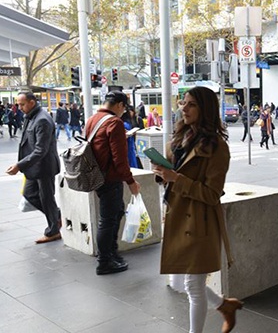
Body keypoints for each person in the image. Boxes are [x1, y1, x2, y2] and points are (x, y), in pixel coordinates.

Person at [152, 86, 243, 333]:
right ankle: (225, 306)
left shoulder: (217, 148)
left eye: (191, 104)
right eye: (183, 102)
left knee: (192, 285)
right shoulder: (178, 139)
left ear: (205, 109)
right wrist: (161, 173)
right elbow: (172, 174)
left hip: (200, 222)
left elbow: (212, 194)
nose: (184, 108)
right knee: (181, 283)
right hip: (177, 217)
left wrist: (175, 179)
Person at [84, 91, 141, 275]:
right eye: (123, 108)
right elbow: (120, 159)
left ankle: (112, 253)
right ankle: (104, 261)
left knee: (115, 214)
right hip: (111, 178)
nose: (123, 112)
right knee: (108, 220)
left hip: (98, 177)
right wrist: (131, 181)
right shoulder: (114, 123)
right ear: (118, 105)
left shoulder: (93, 119)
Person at [6, 92, 62, 244]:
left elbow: (40, 150)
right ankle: (56, 216)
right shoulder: (31, 117)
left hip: (44, 167)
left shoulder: (42, 119)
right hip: (33, 167)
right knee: (29, 194)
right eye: (18, 104)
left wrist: (19, 165)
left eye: (22, 104)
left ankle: (53, 231)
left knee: (47, 198)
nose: (19, 107)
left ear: (32, 102)